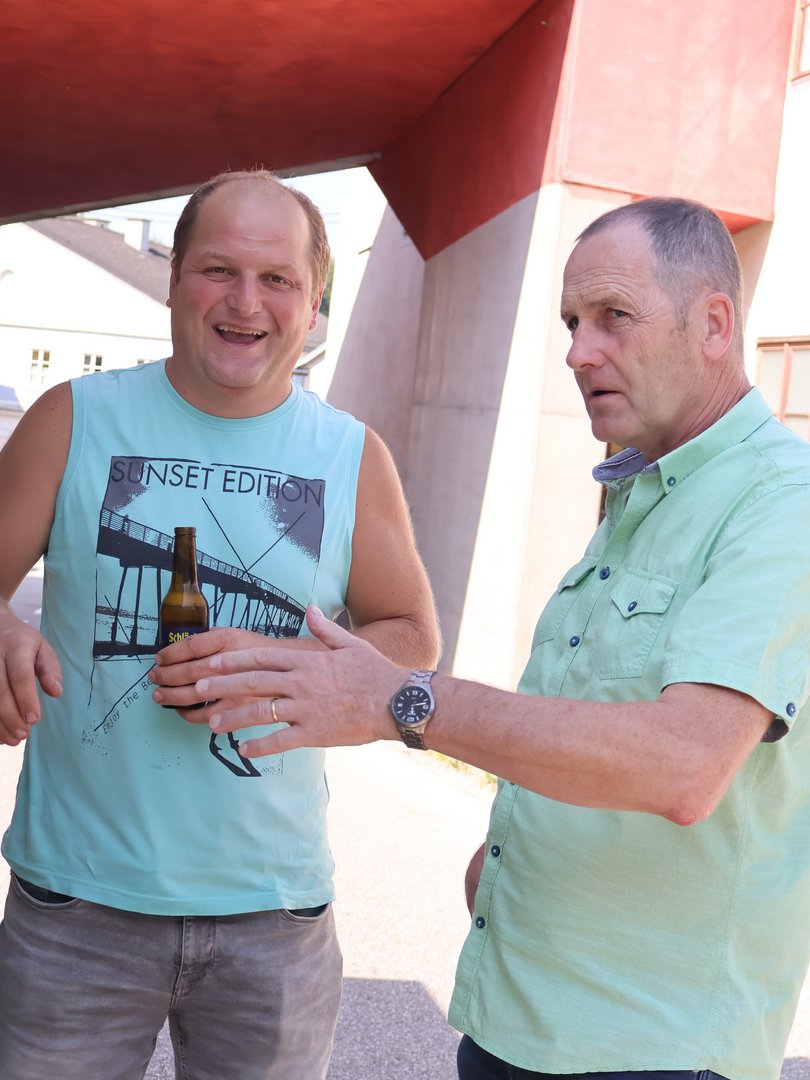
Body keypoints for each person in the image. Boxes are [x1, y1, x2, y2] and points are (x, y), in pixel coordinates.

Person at [155, 197, 810, 1080]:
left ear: (715, 325)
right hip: (523, 1022)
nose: (578, 351)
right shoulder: (645, 492)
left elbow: (684, 764)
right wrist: (509, 854)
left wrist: (405, 701)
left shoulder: (779, 503)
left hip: (652, 1051)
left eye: (614, 316)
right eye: (572, 323)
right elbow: (596, 717)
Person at [0, 169, 440, 1080]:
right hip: (76, 907)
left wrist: (283, 669)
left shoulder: (352, 456)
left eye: (277, 279)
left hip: (273, 918)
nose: (246, 302)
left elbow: (410, 634)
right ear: (173, 280)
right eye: (217, 270)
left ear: (314, 304)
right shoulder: (71, 417)